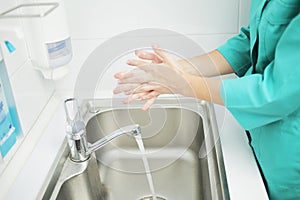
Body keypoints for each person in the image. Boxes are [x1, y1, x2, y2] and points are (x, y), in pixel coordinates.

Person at [113, 0, 300, 199]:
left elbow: (275, 92)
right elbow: (252, 40)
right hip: (261, 137)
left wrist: (183, 84)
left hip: (289, 157)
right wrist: (179, 69)